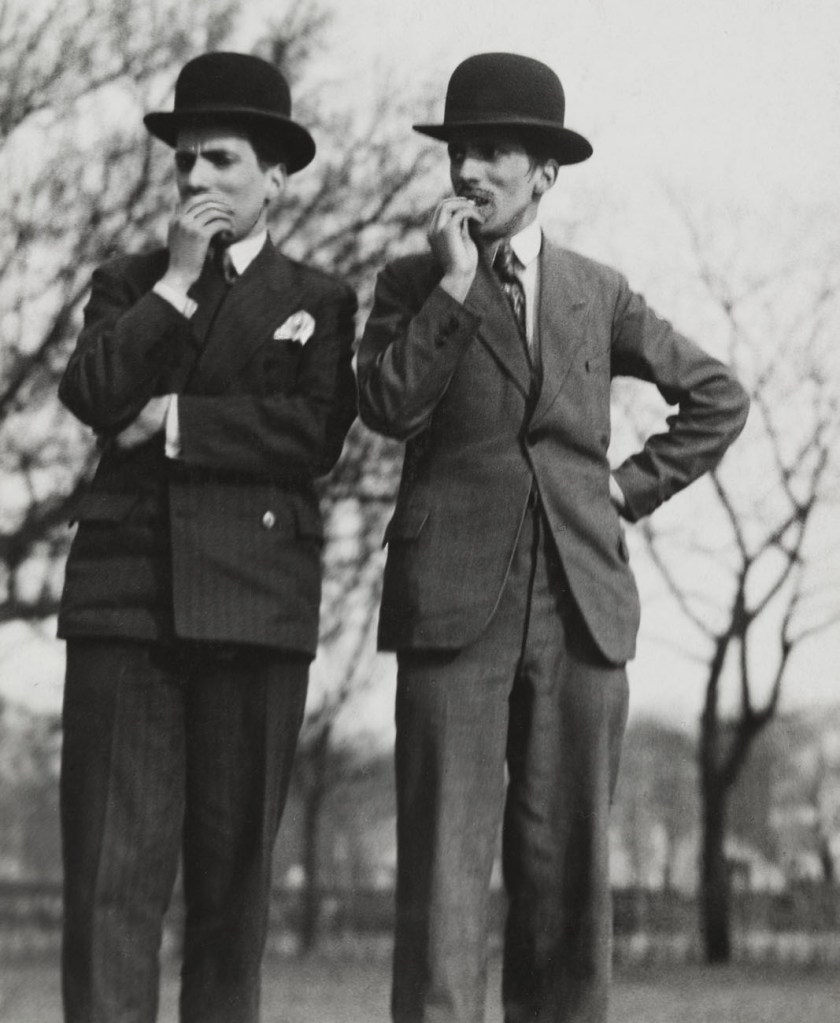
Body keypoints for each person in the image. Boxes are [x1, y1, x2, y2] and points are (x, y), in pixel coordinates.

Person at [356, 52, 749, 1023]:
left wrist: (625, 490)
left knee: (568, 876)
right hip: (452, 603)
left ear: (545, 173)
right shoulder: (410, 283)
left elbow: (718, 397)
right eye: (459, 152)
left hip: (582, 605)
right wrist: (454, 290)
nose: (468, 172)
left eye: (493, 152)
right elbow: (387, 406)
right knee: (443, 875)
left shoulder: (596, 291)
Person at [56, 51, 356, 1023]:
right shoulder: (129, 284)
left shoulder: (320, 300)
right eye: (184, 161)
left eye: (220, 160)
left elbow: (313, 433)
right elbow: (93, 393)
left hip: (256, 609)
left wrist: (174, 419)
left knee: (231, 899)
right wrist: (177, 286)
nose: (195, 180)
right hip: (126, 604)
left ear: (276, 177)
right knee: (110, 887)